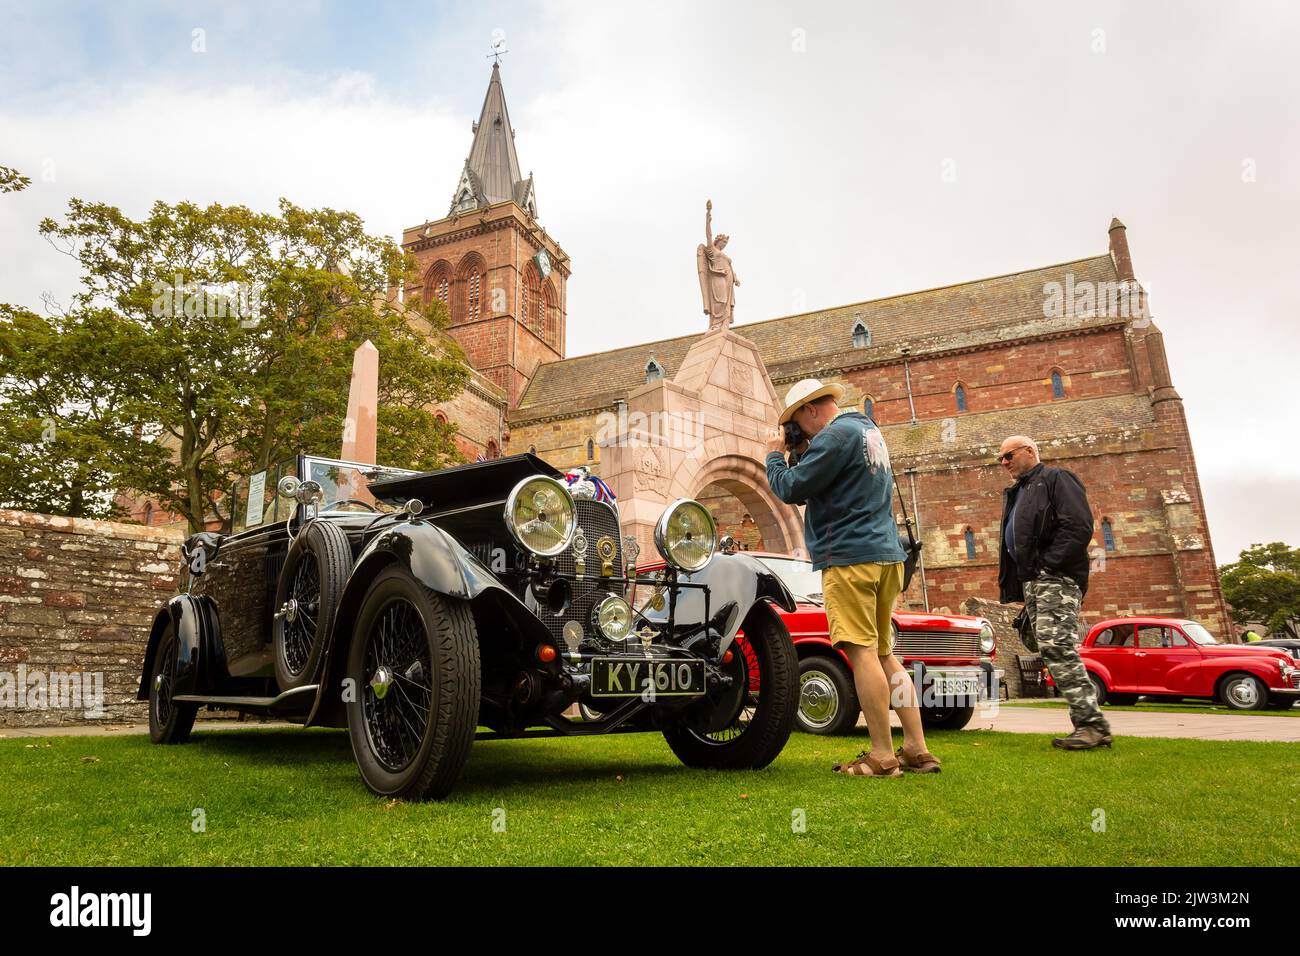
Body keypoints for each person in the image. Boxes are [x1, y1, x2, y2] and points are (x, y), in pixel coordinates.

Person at [765, 379, 939, 777]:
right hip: (885, 555)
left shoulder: (834, 436)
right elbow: (823, 487)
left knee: (861, 654)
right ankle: (916, 747)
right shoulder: (866, 431)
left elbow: (791, 488)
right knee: (884, 654)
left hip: (849, 558)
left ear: (810, 410)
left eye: (796, 423)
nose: (798, 432)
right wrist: (802, 453)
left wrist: (775, 456)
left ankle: (880, 755)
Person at [997, 435, 1113, 750]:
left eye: (1009, 455)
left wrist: (1048, 566)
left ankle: (1091, 725)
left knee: (1057, 647)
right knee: (1045, 644)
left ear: (1030, 451)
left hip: (1055, 579)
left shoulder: (1056, 478)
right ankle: (1090, 724)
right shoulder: (1020, 491)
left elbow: (1078, 525)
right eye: (1000, 459)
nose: (1004, 463)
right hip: (1035, 582)